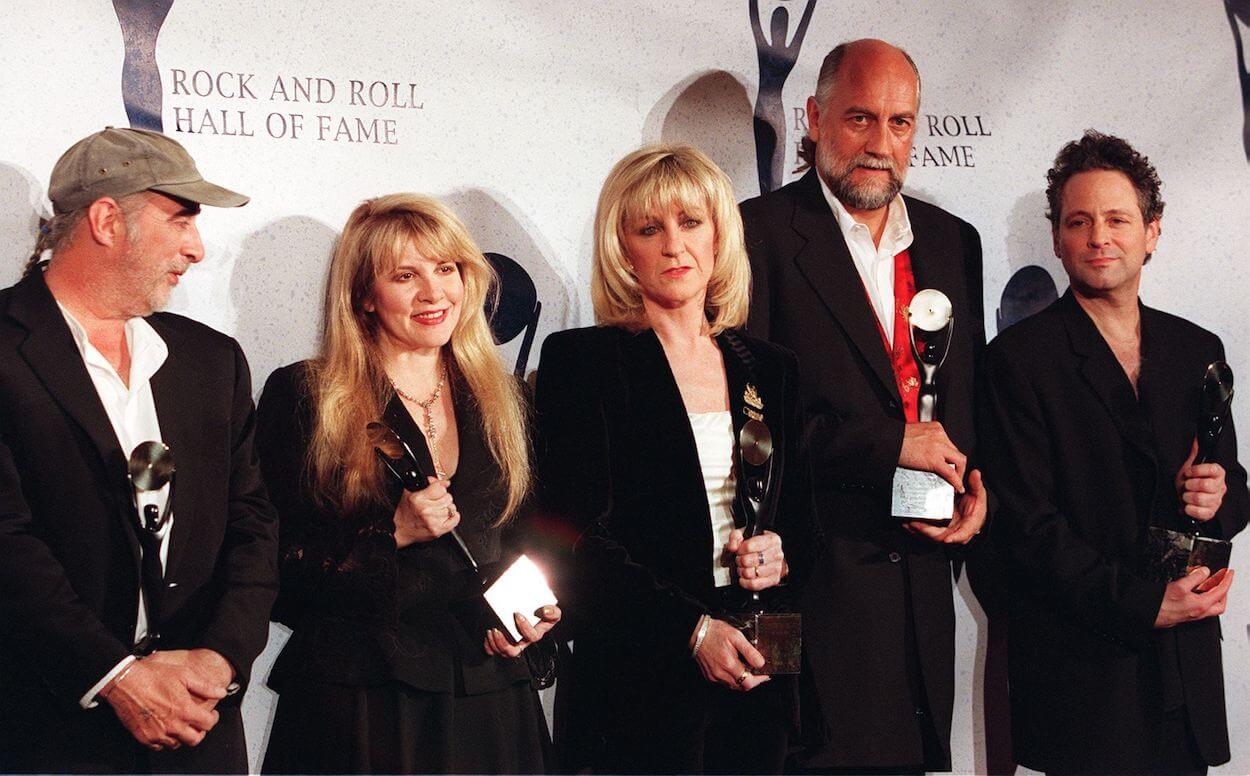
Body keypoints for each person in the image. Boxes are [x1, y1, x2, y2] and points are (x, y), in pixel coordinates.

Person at [740, 39, 988, 771]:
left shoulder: (953, 243)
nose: (881, 144)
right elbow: (748, 426)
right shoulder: (755, 237)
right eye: (859, 119)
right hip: (812, 592)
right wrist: (888, 444)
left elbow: (964, 407)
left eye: (901, 122)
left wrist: (978, 493)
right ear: (814, 118)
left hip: (921, 599)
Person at [0, 126, 277, 773]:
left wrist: (220, 661)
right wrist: (115, 674)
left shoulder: (211, 361)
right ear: (106, 220)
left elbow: (254, 526)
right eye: (181, 221)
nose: (198, 249)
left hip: (200, 727)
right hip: (46, 732)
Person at [256, 194, 560, 774]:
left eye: (446, 269)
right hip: (363, 704)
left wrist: (533, 618)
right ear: (364, 297)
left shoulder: (505, 399)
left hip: (488, 697)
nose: (434, 292)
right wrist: (390, 534)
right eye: (405, 275)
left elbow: (529, 540)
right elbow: (273, 568)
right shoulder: (308, 396)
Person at [535, 145, 814, 774]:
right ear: (621, 248)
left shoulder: (769, 367)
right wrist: (691, 632)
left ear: (718, 234)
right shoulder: (585, 362)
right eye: (648, 228)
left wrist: (781, 553)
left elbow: (804, 521)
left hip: (761, 667)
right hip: (638, 681)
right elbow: (574, 538)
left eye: (690, 222)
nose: (673, 246)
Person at [978, 130, 1248, 774]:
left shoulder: (1196, 348)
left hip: (1185, 681)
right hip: (1084, 682)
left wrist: (1221, 496)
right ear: (1057, 240)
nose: (1099, 236)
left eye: (1118, 218)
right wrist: (1143, 603)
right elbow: (1027, 530)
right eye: (1080, 221)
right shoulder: (1017, 361)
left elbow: (1232, 489)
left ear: (1152, 232)